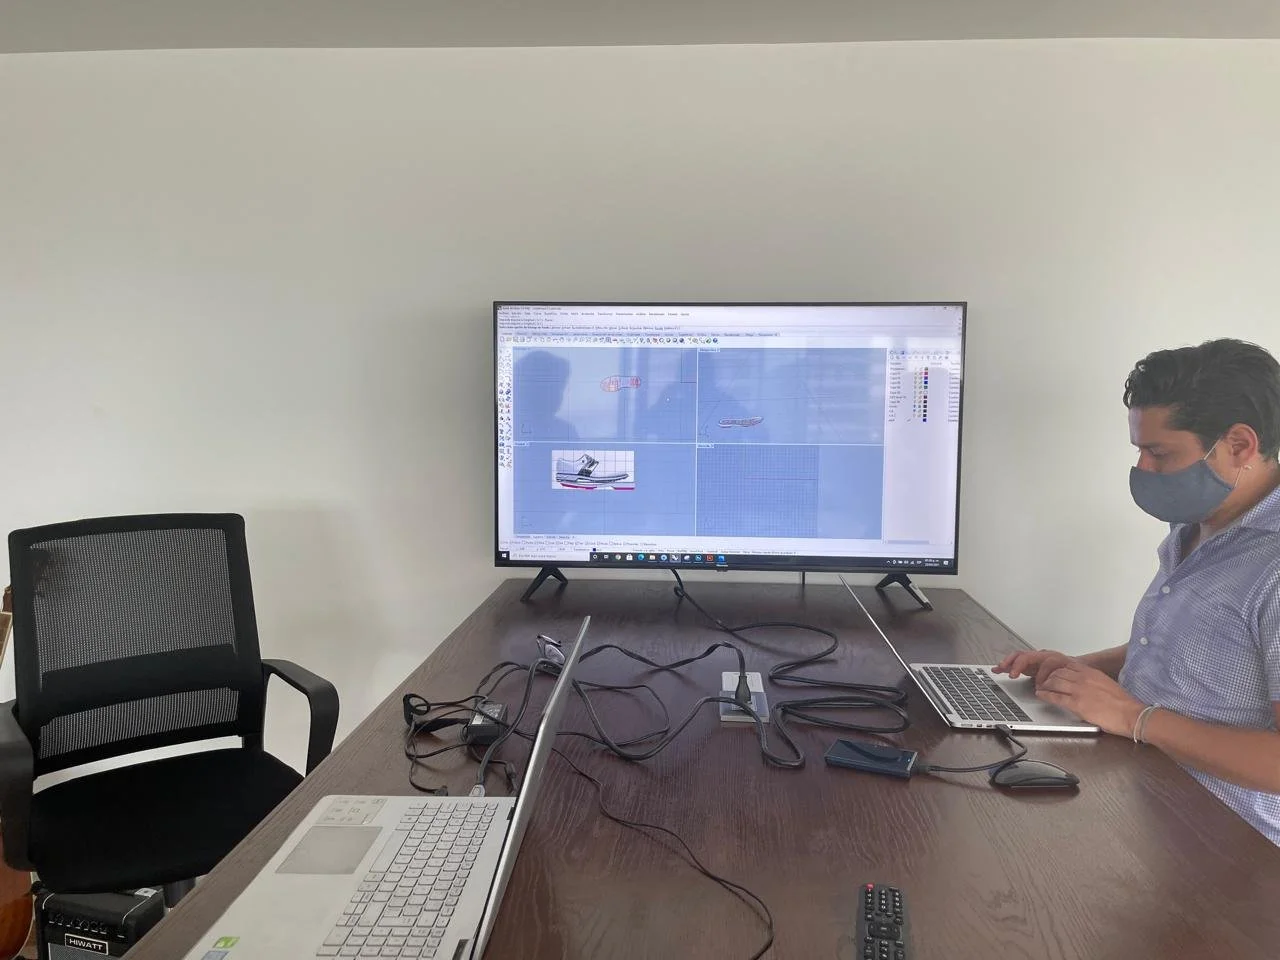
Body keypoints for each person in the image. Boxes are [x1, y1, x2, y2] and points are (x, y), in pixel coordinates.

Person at [995, 338, 1280, 843]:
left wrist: (1135, 717)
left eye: (1158, 452)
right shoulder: (1197, 523)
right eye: (1139, 451)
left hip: (1235, 851)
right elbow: (1192, 645)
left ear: (1239, 445)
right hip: (1145, 795)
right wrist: (1080, 670)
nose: (1142, 470)